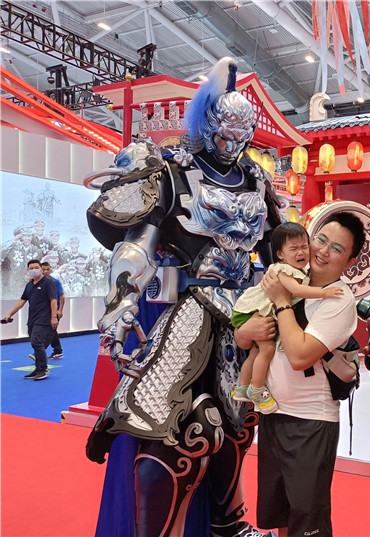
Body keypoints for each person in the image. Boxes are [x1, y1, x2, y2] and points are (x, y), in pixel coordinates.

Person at [85, 56, 281, 537]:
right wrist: (122, 299)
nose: (233, 146)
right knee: (164, 423)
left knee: (237, 423)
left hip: (245, 312)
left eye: (241, 137)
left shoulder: (257, 180)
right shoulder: (172, 173)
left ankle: (229, 523)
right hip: (188, 309)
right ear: (207, 127)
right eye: (224, 136)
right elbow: (137, 244)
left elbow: (278, 248)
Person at [235, 212, 365, 537]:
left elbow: (299, 355)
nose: (322, 251)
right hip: (273, 415)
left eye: (337, 248)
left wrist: (281, 302)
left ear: (350, 261)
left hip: (311, 422)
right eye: (321, 240)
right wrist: (247, 330)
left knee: (306, 521)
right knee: (280, 512)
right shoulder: (291, 276)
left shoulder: (339, 300)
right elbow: (244, 336)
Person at [231, 222, 344, 413]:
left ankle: (242, 388)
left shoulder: (295, 271)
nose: (301, 252)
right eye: (294, 249)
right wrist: (325, 292)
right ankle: (256, 389)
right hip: (253, 311)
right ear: (280, 254)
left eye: (304, 246)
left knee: (256, 353)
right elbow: (297, 290)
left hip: (250, 310)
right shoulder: (284, 270)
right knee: (266, 349)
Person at [2, 259, 58, 380]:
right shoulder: (29, 285)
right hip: (32, 319)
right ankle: (38, 368)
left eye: (36, 267)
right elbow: (22, 301)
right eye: (31, 268)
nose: (34, 270)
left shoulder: (48, 283)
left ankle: (43, 369)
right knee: (35, 344)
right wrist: (9, 314)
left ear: (41, 269)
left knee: (37, 342)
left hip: (44, 318)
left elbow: (53, 300)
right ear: (28, 270)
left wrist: (54, 317)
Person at [40, 261, 64, 359]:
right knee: (52, 331)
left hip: (55, 311)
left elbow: (61, 296)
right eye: (43, 269)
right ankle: (58, 351)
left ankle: (39, 352)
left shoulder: (55, 282)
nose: (45, 271)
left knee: (49, 331)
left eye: (47, 269)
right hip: (43, 311)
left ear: (51, 270)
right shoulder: (36, 282)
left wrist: (60, 310)